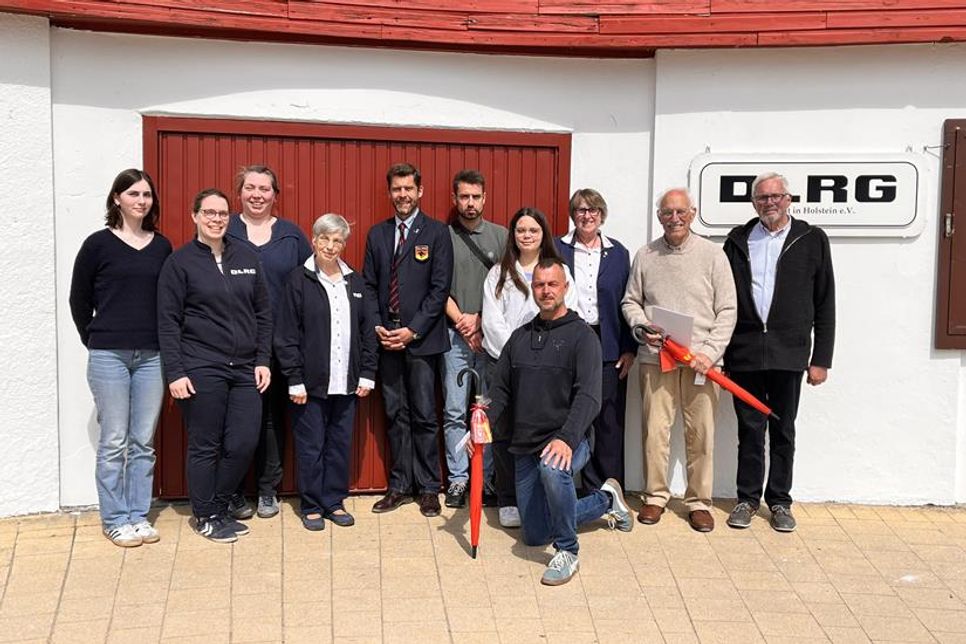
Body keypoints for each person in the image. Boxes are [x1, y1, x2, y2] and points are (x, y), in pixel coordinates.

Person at [485, 258, 632, 586]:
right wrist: (482, 423)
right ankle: (607, 499)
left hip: (570, 438)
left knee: (552, 469)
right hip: (526, 446)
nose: (546, 291)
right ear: (532, 289)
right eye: (539, 285)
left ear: (565, 287)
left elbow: (589, 396)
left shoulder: (583, 337)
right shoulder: (519, 338)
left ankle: (568, 551)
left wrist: (566, 438)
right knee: (535, 534)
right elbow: (500, 391)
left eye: (552, 284)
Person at [157, 188, 273, 543]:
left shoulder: (247, 257)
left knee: (243, 441)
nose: (216, 219)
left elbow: (263, 313)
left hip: (244, 368)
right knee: (205, 445)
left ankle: (218, 506)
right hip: (201, 365)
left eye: (222, 213)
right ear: (195, 216)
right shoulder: (179, 263)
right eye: (209, 212)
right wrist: (175, 372)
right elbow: (168, 322)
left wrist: (263, 359)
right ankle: (206, 515)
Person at [723, 172, 835, 533]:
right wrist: (722, 351)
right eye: (762, 198)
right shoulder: (738, 240)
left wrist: (821, 359)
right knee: (749, 430)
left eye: (775, 196)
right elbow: (722, 299)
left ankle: (780, 502)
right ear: (754, 203)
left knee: (783, 429)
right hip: (745, 352)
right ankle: (747, 499)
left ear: (788, 199)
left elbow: (825, 302)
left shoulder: (811, 239)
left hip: (789, 353)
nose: (769, 203)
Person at [621, 188, 736, 533]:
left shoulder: (713, 255)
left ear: (692, 213)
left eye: (680, 212)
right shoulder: (646, 255)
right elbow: (631, 301)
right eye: (667, 213)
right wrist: (642, 328)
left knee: (701, 433)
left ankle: (699, 502)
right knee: (654, 431)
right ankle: (655, 496)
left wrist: (710, 352)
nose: (674, 218)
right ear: (659, 217)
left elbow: (727, 309)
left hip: (701, 361)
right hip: (657, 357)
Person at [69, 168, 172, 547]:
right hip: (108, 355)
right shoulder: (97, 245)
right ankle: (115, 519)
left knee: (142, 441)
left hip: (151, 356)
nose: (141, 201)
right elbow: (79, 300)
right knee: (114, 440)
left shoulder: (161, 246)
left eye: (146, 194)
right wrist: (96, 339)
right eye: (133, 194)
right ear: (117, 198)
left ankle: (138, 516)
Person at [275, 214, 378, 531]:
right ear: (314, 239)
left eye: (338, 241)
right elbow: (286, 334)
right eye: (325, 239)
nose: (331, 246)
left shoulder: (355, 282)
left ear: (344, 244)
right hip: (309, 385)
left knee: (339, 445)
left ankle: (333, 501)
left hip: (346, 383)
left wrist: (367, 373)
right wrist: (294, 378)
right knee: (311, 447)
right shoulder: (298, 280)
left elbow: (368, 332)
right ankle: (311, 505)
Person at [363, 163, 453, 517]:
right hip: (387, 340)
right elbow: (369, 286)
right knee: (394, 414)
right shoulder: (377, 234)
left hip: (421, 340)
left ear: (420, 191)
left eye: (408, 189)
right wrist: (377, 326)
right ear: (390, 193)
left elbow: (439, 289)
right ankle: (399, 485)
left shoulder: (437, 233)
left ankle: (429, 488)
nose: (402, 195)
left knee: (425, 415)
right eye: (397, 189)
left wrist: (413, 329)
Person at [482, 207, 578, 528]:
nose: (526, 235)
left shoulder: (558, 271)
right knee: (503, 431)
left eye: (533, 230)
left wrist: (539, 356)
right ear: (513, 235)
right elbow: (492, 320)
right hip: (504, 363)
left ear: (543, 234)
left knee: (539, 428)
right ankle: (508, 498)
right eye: (521, 230)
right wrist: (516, 355)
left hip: (547, 367)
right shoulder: (498, 273)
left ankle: (541, 495)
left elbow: (567, 314)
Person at [226, 165, 312, 520]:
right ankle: (232, 492)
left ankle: (267, 491)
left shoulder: (291, 236)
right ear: (240, 192)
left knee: (272, 420)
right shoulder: (225, 229)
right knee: (235, 421)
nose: (257, 195)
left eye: (264, 189)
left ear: (275, 195)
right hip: (233, 345)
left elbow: (309, 283)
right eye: (250, 187)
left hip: (278, 346)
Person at [556, 188, 636, 490]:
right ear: (572, 215)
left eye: (593, 210)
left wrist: (629, 349)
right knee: (573, 415)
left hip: (609, 342)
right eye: (580, 210)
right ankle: (572, 486)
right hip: (570, 339)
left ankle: (607, 491)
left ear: (601, 215)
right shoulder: (557, 249)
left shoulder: (619, 253)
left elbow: (628, 301)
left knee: (608, 420)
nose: (587, 215)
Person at [441, 170, 507, 509]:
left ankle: (488, 477)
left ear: (485, 198)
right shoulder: (443, 237)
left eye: (475, 197)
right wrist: (463, 323)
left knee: (487, 410)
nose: (470, 203)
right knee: (454, 410)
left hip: (490, 339)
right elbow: (436, 287)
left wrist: (481, 320)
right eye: (464, 196)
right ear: (455, 199)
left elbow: (508, 287)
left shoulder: (501, 236)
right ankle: (458, 479)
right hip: (454, 337)